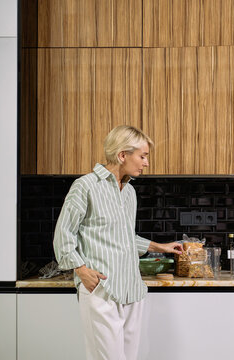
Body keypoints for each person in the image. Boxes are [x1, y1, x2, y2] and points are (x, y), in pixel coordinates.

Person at [53, 125, 182, 360]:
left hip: (131, 288)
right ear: (123, 155)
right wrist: (81, 270)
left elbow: (123, 237)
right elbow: (63, 234)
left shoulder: (129, 192)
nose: (146, 163)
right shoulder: (86, 187)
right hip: (102, 287)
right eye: (142, 156)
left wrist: (160, 247)